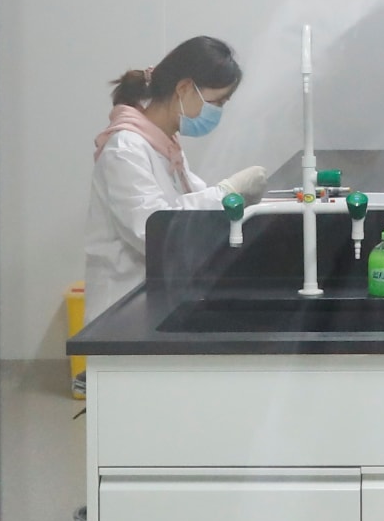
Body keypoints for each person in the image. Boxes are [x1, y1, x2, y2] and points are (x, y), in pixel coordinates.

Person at [84, 36, 267, 315]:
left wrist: (237, 200)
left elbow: (190, 201)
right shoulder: (126, 149)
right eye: (217, 102)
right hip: (121, 309)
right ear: (184, 88)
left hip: (155, 299)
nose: (218, 112)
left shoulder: (165, 145)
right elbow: (153, 229)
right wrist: (226, 191)